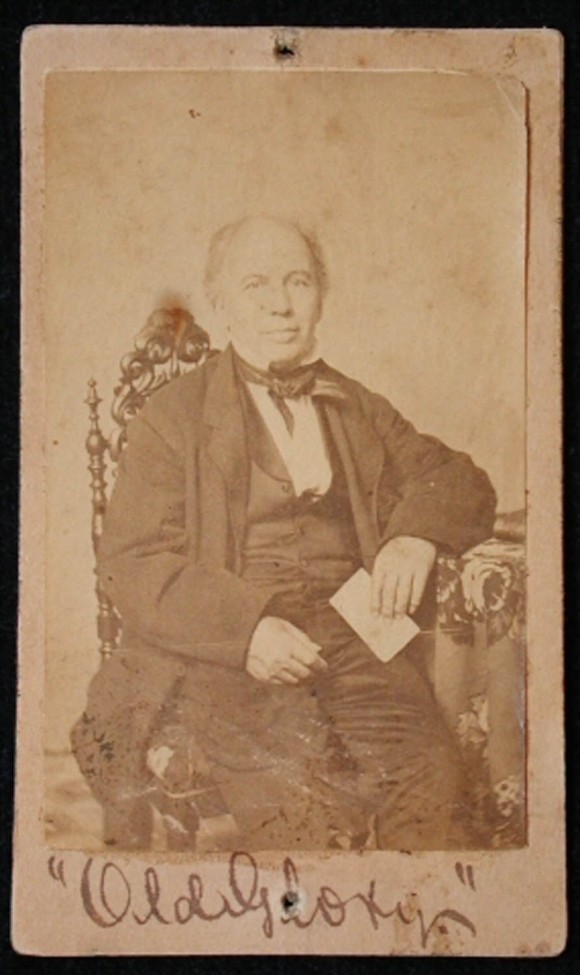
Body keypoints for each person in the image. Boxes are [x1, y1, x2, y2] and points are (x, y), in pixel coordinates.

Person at [72, 215, 496, 851]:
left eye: (298, 281)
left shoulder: (352, 403)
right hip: (224, 657)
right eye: (256, 285)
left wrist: (416, 537)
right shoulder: (172, 416)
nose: (280, 304)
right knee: (303, 811)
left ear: (321, 295)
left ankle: (400, 914)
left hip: (353, 634)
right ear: (220, 302)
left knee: (432, 778)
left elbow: (456, 477)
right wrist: (245, 630)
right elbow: (132, 562)